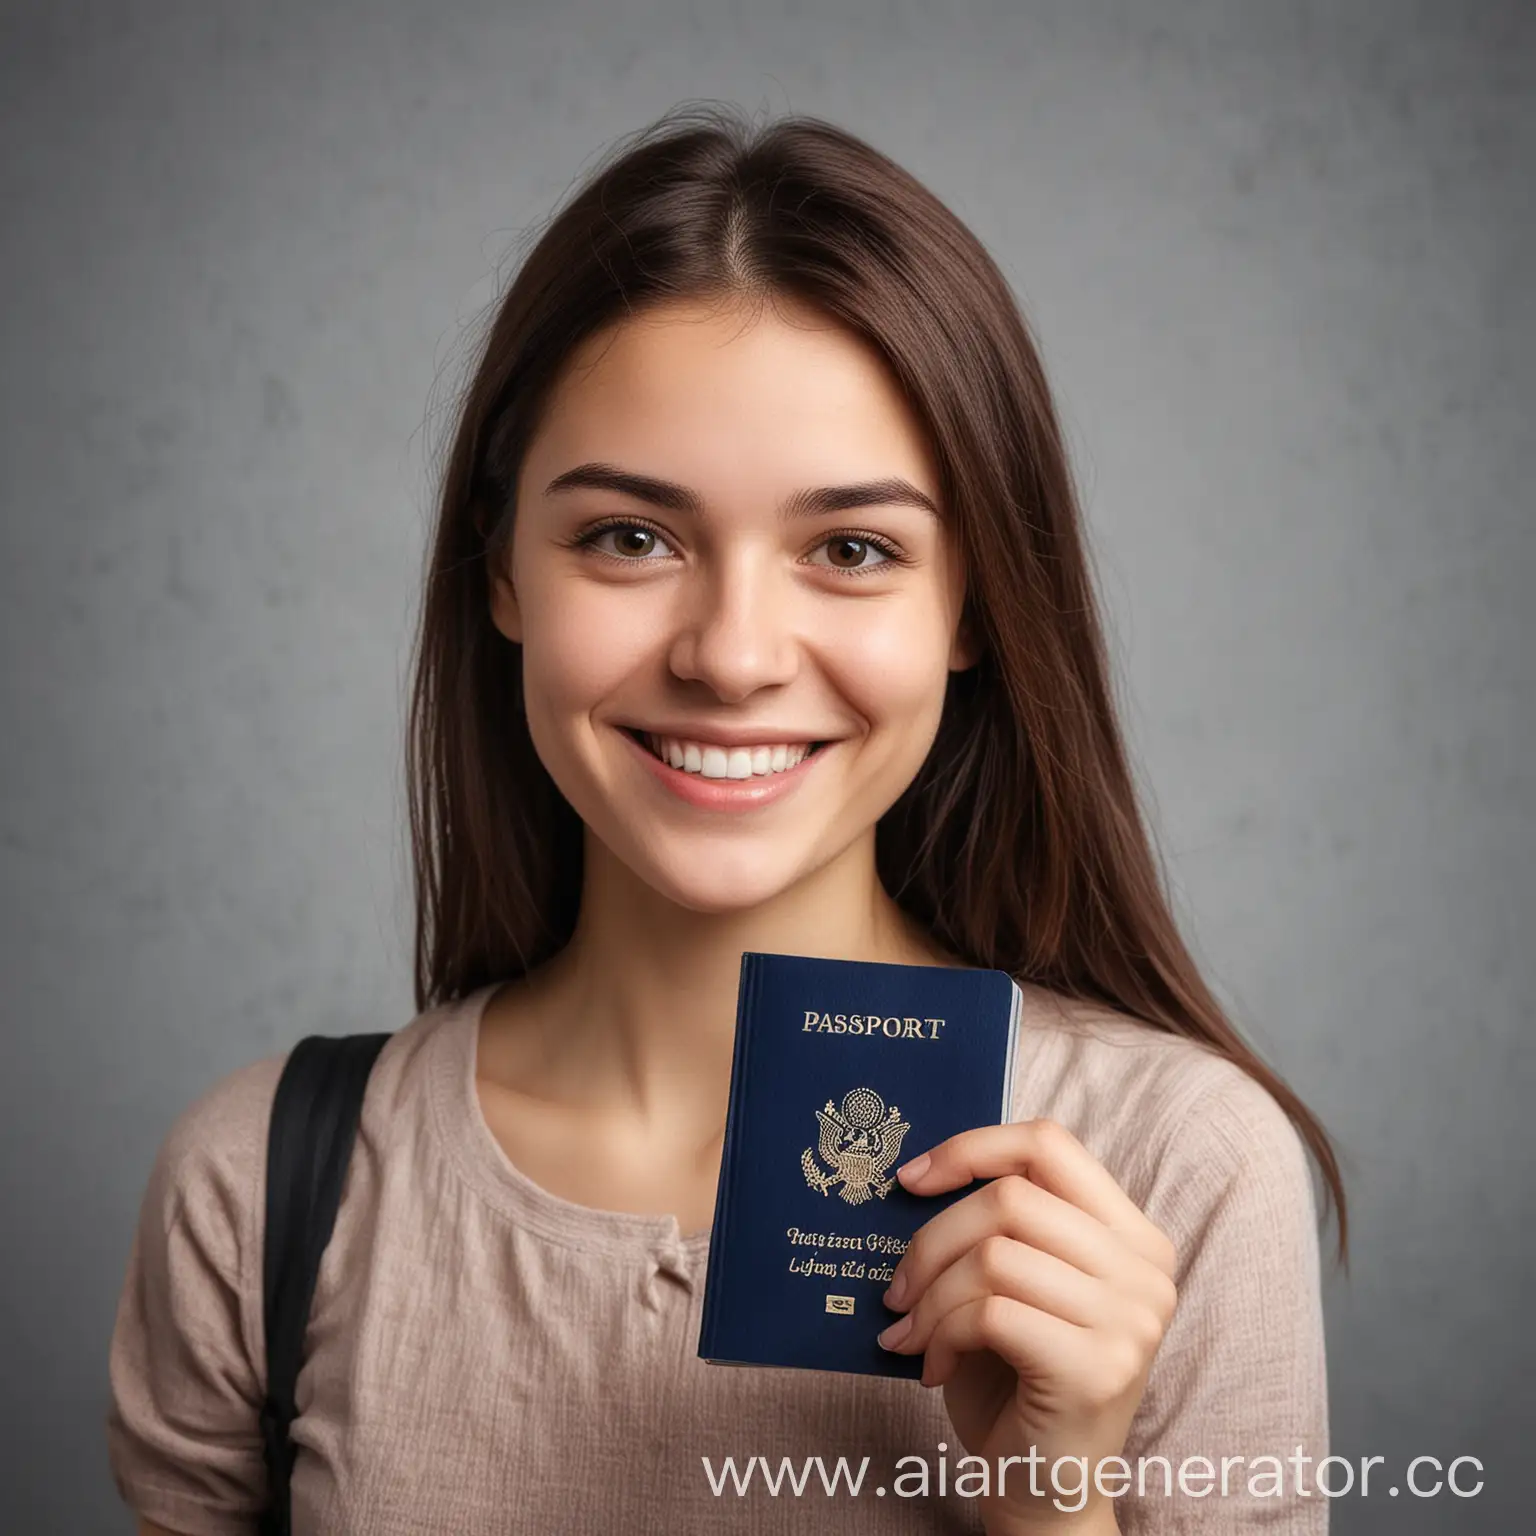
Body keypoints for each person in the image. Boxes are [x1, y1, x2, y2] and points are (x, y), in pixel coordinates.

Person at [106, 104, 1345, 1536]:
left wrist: (1053, 1504)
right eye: (630, 537)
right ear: (501, 573)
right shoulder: (255, 1191)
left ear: (974, 608)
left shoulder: (1181, 1172)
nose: (733, 653)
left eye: (853, 549)